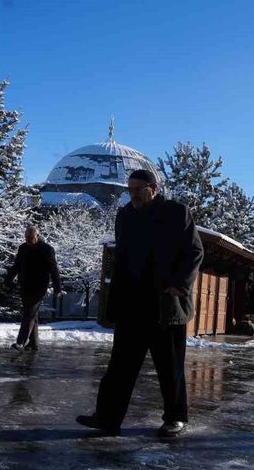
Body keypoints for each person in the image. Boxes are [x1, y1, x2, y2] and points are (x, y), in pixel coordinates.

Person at [76, 169, 204, 437]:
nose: (132, 195)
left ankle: (175, 417)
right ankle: (107, 418)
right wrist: (114, 299)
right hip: (132, 304)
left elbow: (194, 251)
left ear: (153, 188)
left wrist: (179, 284)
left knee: (170, 368)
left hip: (165, 304)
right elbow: (121, 258)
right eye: (129, 190)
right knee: (119, 367)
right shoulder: (125, 216)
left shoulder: (176, 213)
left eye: (138, 189)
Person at [5, 225, 62, 351]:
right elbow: (17, 265)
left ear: (37, 236)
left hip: (39, 287)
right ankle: (33, 343)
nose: (28, 240)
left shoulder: (47, 249)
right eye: (26, 237)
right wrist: (8, 279)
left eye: (30, 237)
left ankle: (21, 342)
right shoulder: (23, 248)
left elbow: (53, 269)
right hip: (25, 286)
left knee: (29, 314)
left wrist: (58, 287)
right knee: (31, 315)